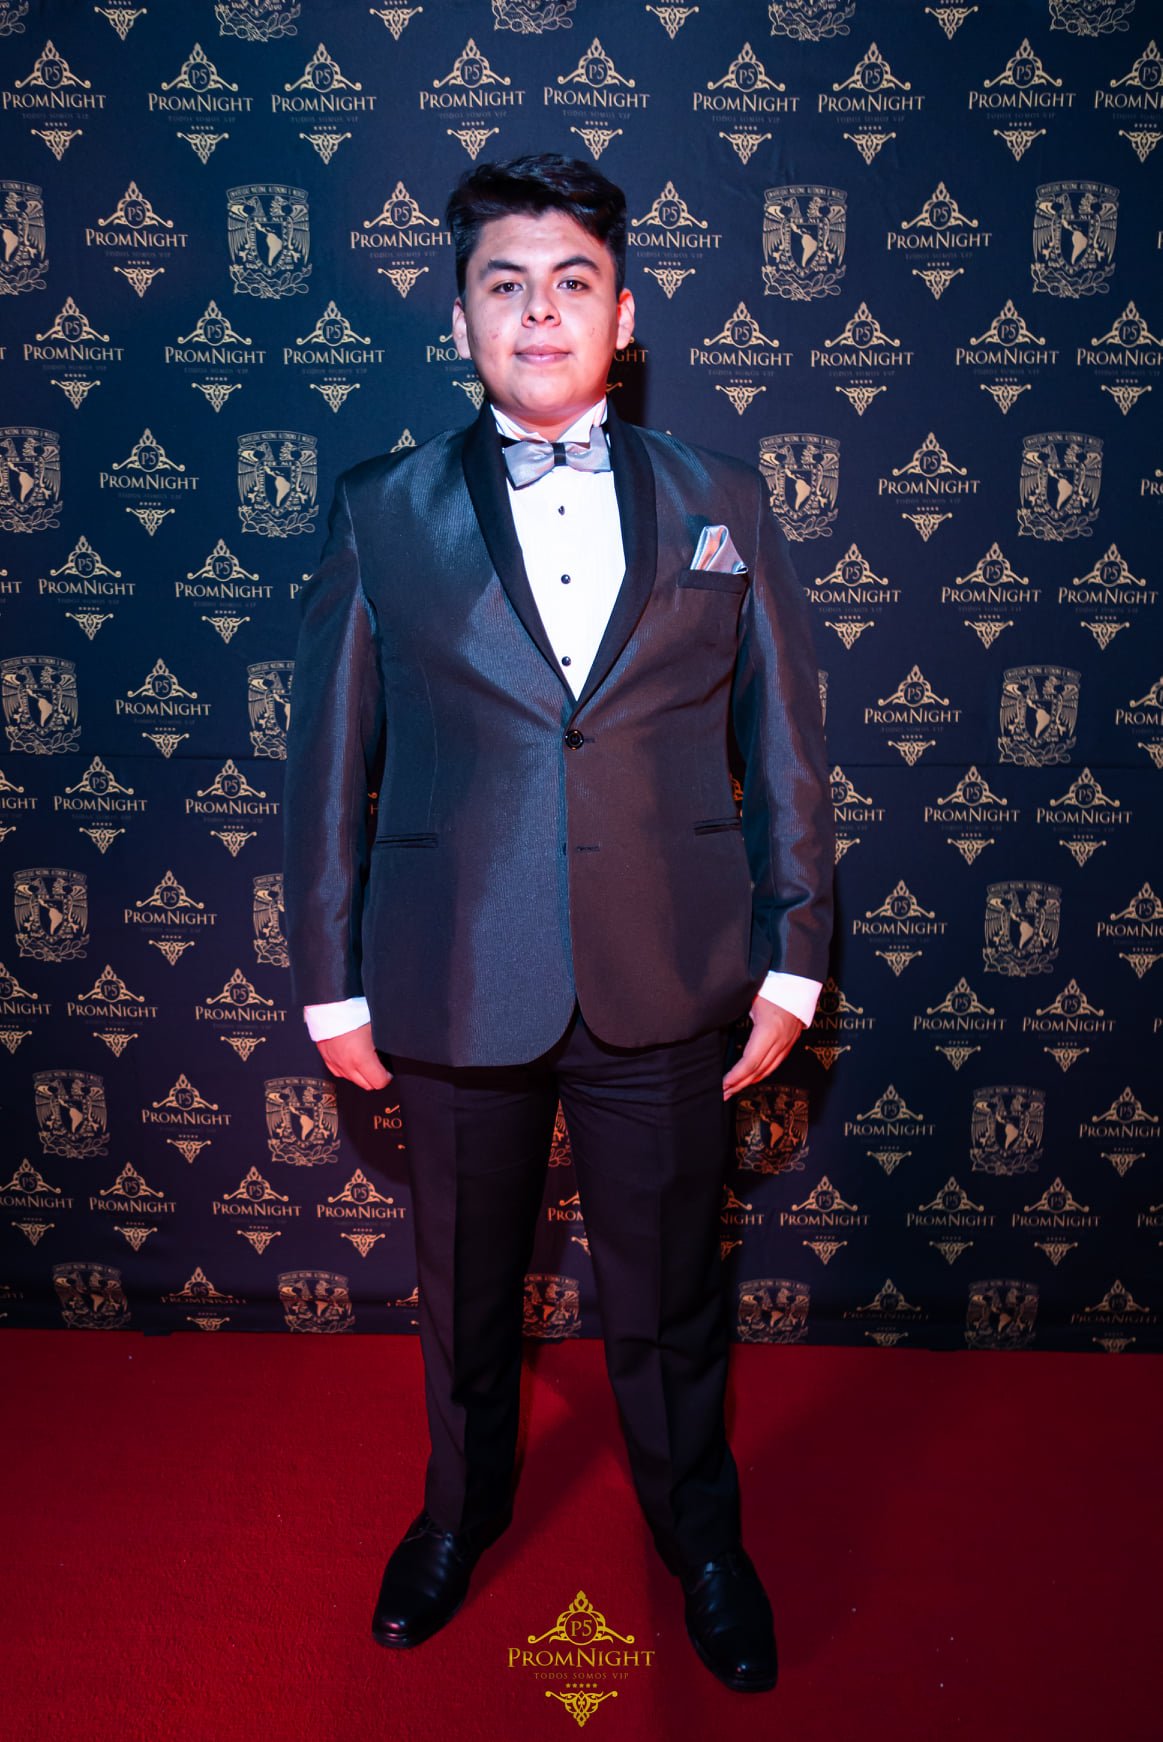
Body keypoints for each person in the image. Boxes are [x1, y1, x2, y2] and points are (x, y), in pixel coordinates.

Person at [283, 154, 833, 1695]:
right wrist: (329, 980)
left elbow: (787, 742)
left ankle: (701, 1536)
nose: (541, 311)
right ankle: (458, 1514)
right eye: (506, 283)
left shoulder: (723, 500)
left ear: (625, 314)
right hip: (452, 972)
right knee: (464, 1293)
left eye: (572, 281)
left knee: (674, 1295)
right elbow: (327, 759)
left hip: (671, 966)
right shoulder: (380, 508)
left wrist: (796, 955)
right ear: (462, 316)